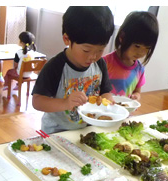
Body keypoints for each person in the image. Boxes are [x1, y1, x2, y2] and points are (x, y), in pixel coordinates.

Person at [32, 6, 115, 134]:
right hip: (57, 132)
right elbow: (37, 101)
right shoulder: (55, 66)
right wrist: (65, 103)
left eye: (100, 50)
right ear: (67, 39)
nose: (93, 56)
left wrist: (108, 101)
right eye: (86, 50)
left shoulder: (100, 64)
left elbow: (105, 92)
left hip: (88, 130)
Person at [103, 11, 159, 101]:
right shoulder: (105, 63)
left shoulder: (139, 69)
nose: (141, 52)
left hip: (125, 112)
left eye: (147, 48)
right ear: (122, 37)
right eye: (137, 46)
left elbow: (137, 91)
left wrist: (136, 96)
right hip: (104, 112)